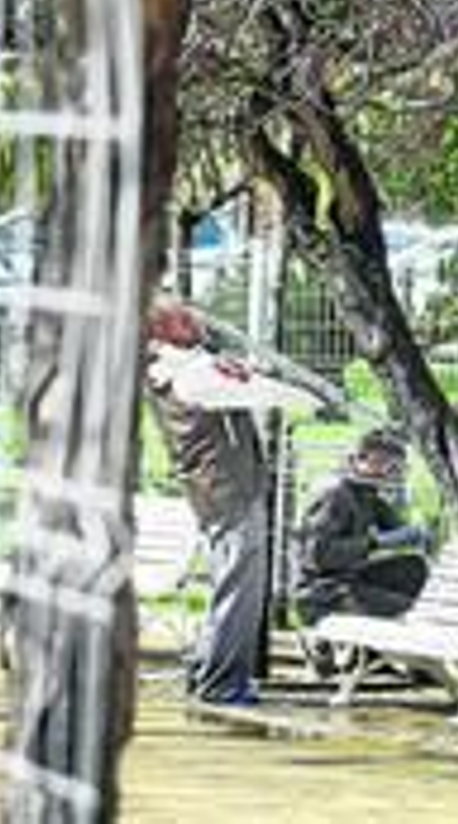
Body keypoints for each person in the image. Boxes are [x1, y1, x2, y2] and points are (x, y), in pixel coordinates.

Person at [144, 301, 317, 705]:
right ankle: (222, 685)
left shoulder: (182, 368)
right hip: (229, 492)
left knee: (230, 585)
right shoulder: (192, 374)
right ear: (170, 332)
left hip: (216, 492)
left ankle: (208, 674)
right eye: (186, 318)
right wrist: (314, 397)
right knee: (239, 590)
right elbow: (262, 392)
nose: (199, 320)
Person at [291, 428, 433, 631]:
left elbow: (399, 529)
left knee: (413, 567)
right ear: (356, 460)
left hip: (350, 579)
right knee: (410, 611)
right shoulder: (335, 495)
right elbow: (317, 555)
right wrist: (375, 543)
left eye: (392, 464)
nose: (387, 470)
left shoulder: (367, 493)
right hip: (322, 594)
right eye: (380, 462)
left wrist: (421, 533)